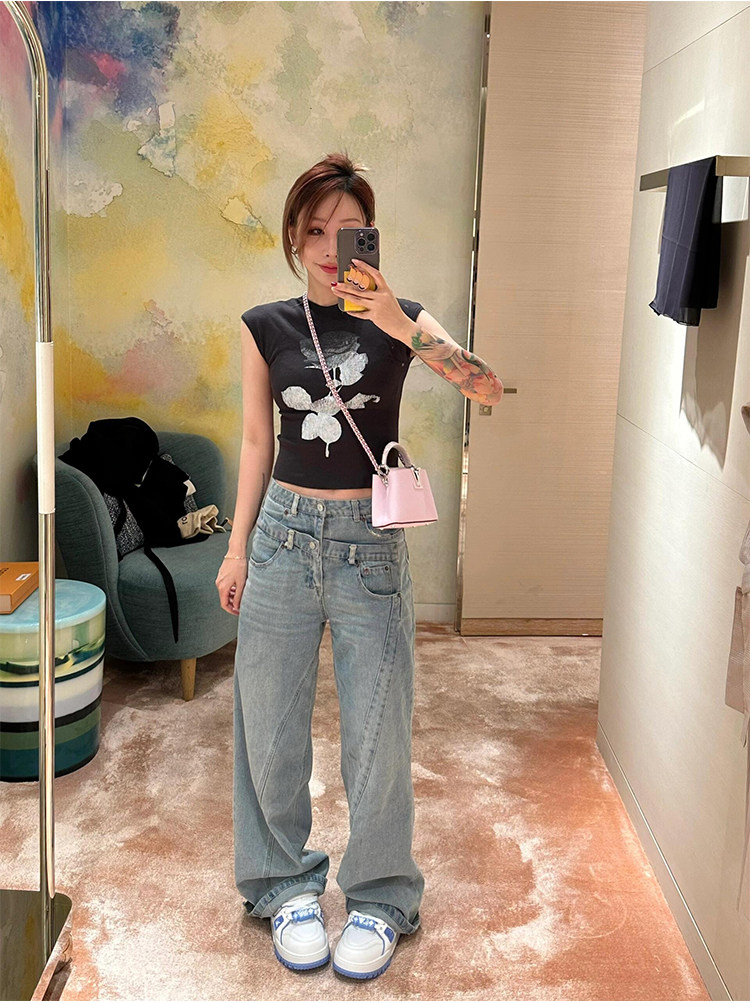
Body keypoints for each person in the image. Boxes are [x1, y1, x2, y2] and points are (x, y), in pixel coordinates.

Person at [215, 152, 503, 980]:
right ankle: (283, 883)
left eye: (346, 232)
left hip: (369, 545)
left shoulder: (402, 318)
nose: (327, 248)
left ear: (369, 236)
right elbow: (256, 442)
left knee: (378, 734)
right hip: (281, 535)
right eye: (313, 231)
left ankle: (379, 896)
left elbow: (486, 388)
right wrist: (236, 547)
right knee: (269, 728)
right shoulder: (264, 325)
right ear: (292, 237)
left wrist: (398, 323)